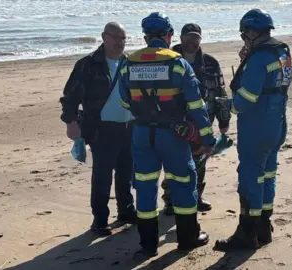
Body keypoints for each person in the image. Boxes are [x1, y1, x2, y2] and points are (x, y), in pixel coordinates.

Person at [118, 12, 217, 257]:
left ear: (145, 36)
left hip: (142, 133)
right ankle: (188, 239)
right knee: (183, 183)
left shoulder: (129, 63)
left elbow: (124, 101)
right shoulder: (177, 63)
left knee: (145, 187)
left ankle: (148, 245)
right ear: (169, 35)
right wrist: (207, 138)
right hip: (173, 134)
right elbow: (196, 104)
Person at [213, 9, 292, 251]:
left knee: (251, 177)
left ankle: (246, 233)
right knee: (268, 174)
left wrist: (227, 104)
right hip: (277, 123)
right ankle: (263, 227)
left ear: (251, 32)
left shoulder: (258, 59)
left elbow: (243, 101)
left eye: (244, 33)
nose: (244, 38)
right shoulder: (282, 52)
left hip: (256, 127)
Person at [59, 22, 137, 237]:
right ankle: (100, 220)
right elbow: (70, 97)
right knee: (102, 176)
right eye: (115, 38)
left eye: (123, 39)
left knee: (125, 173)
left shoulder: (129, 63)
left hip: (129, 127)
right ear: (104, 37)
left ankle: (126, 211)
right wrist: (71, 122)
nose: (119, 43)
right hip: (102, 130)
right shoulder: (88, 64)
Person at [160, 23, 231, 215]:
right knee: (173, 163)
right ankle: (170, 200)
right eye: (188, 36)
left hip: (201, 122)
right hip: (173, 123)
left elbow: (220, 93)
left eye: (196, 37)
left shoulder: (210, 63)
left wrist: (224, 123)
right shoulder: (168, 60)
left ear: (200, 39)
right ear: (180, 38)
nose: (192, 40)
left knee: (199, 162)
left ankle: (196, 196)